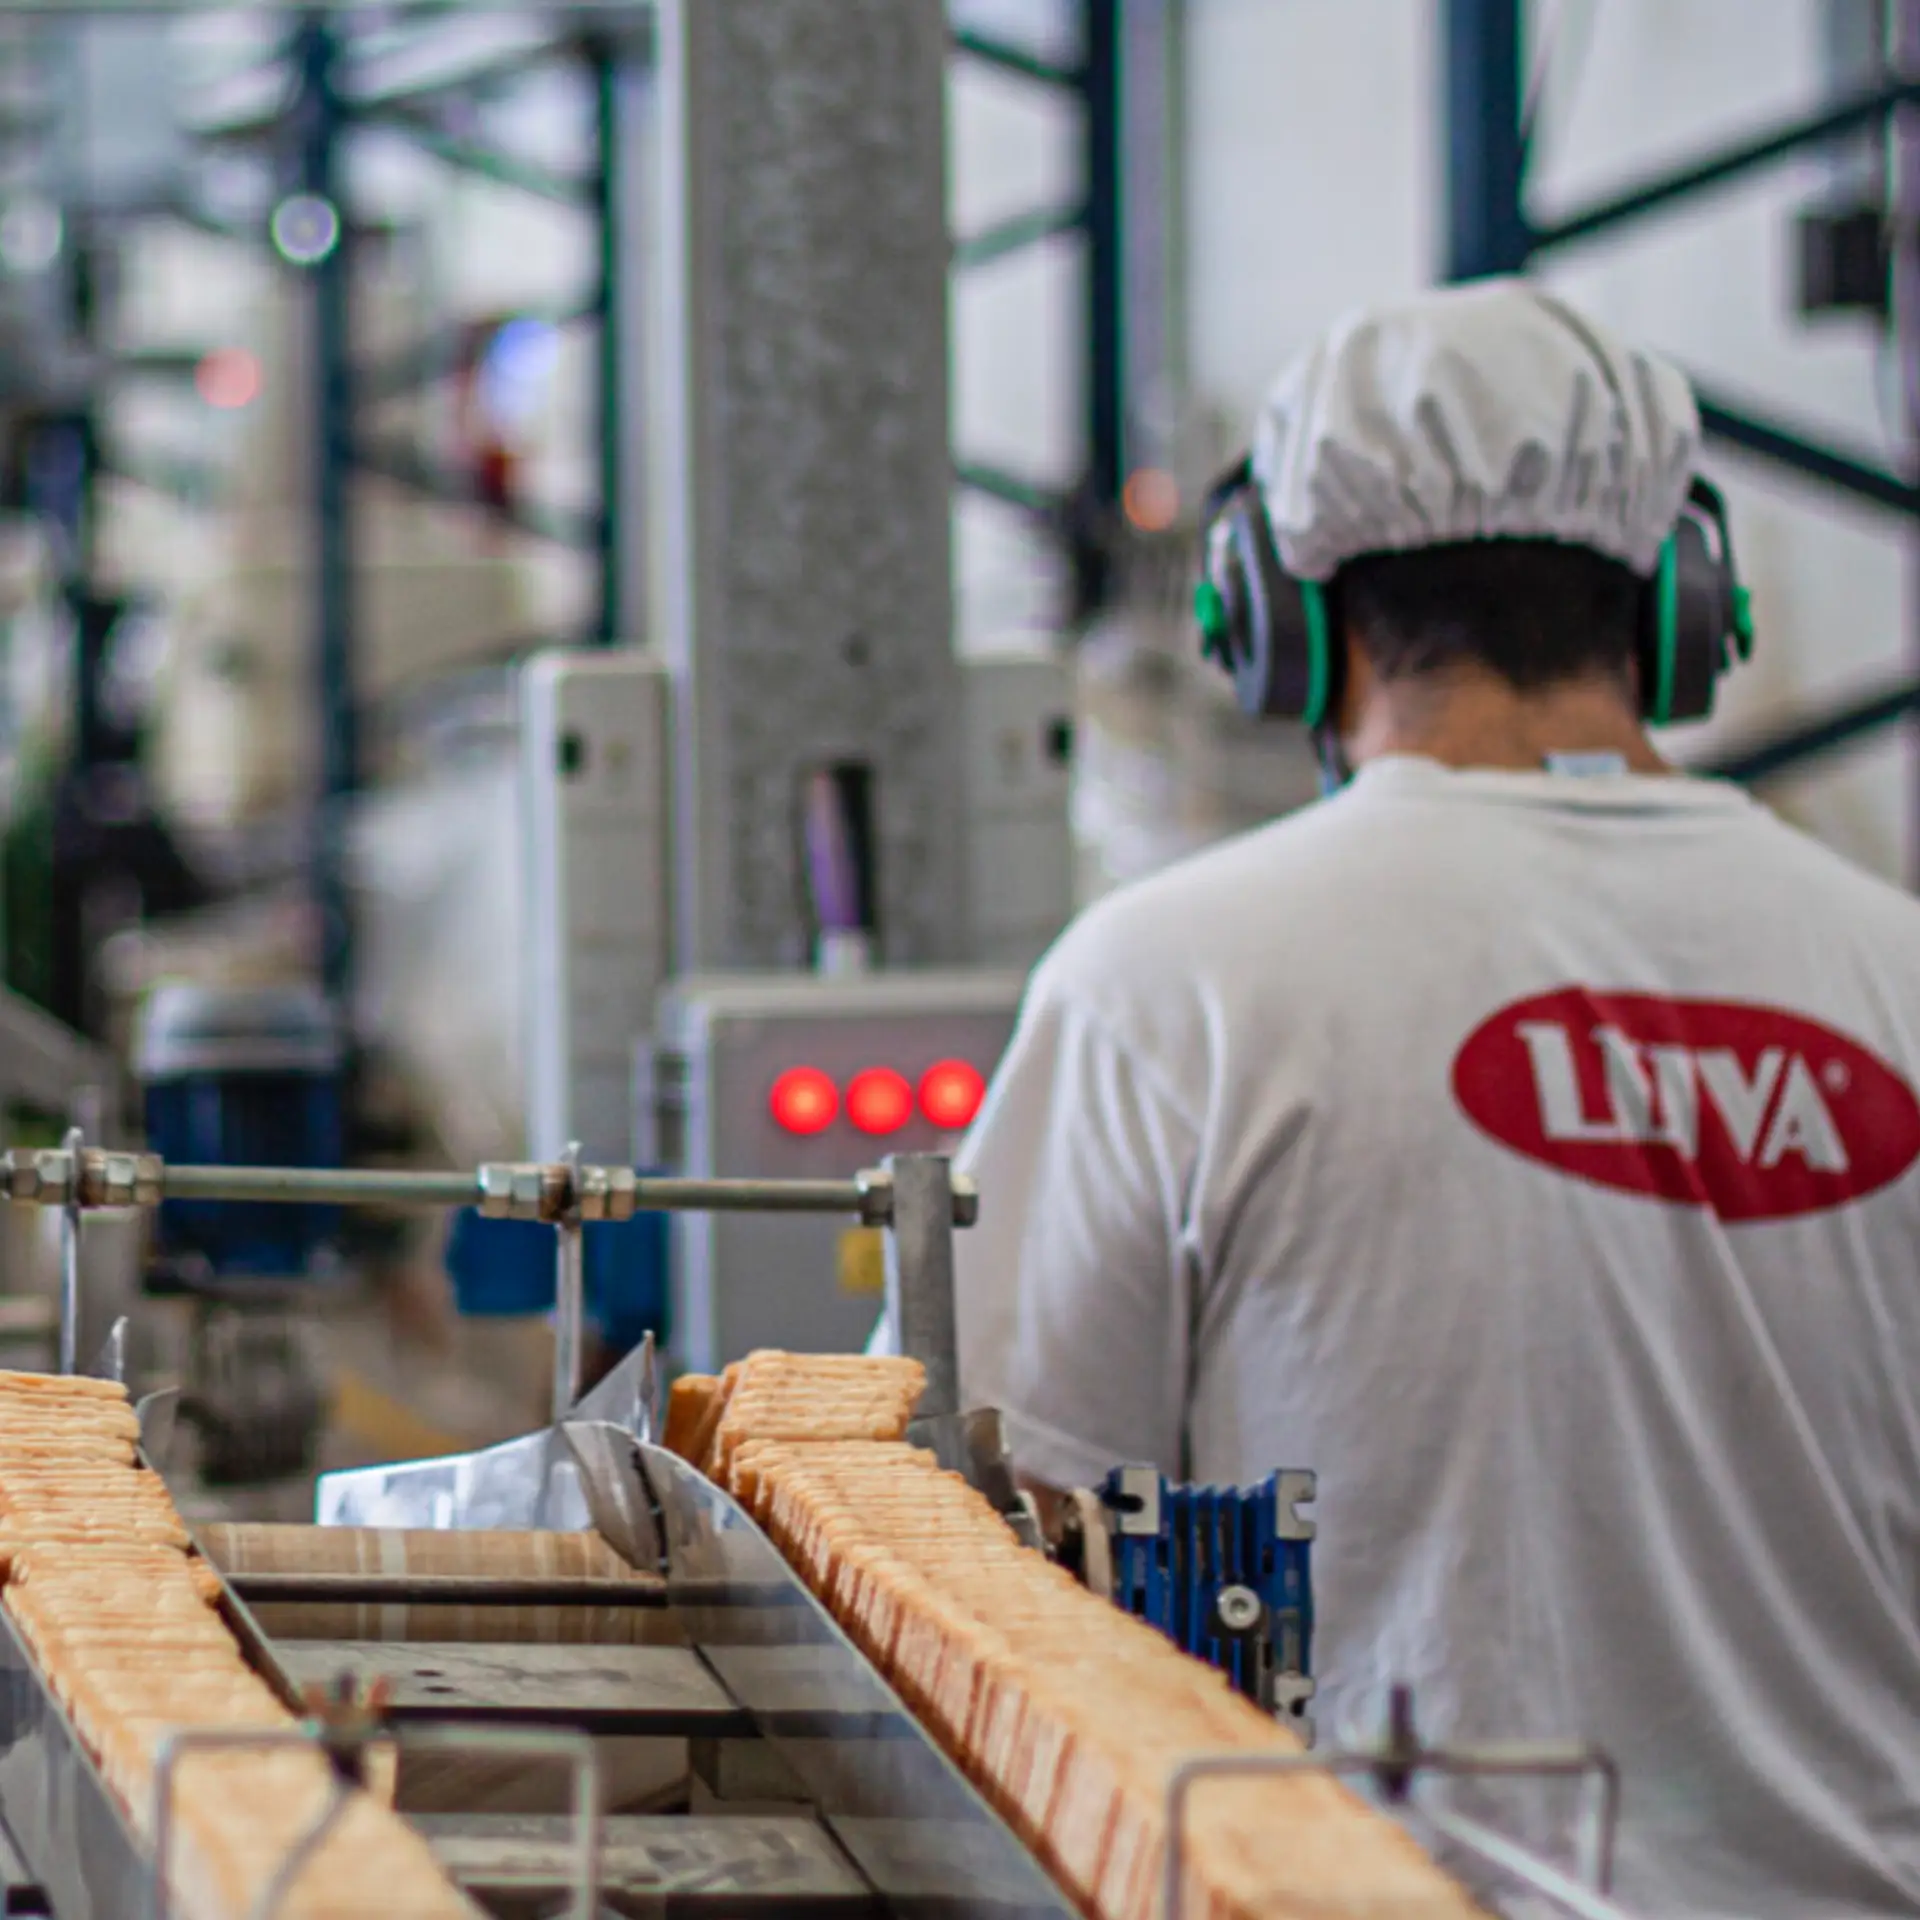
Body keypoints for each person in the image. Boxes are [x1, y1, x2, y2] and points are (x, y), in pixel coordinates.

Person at [872, 279, 1920, 1916]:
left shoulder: (1180, 979)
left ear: (1274, 618)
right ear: (1682, 603)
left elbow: (962, 1532)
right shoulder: (1896, 976)